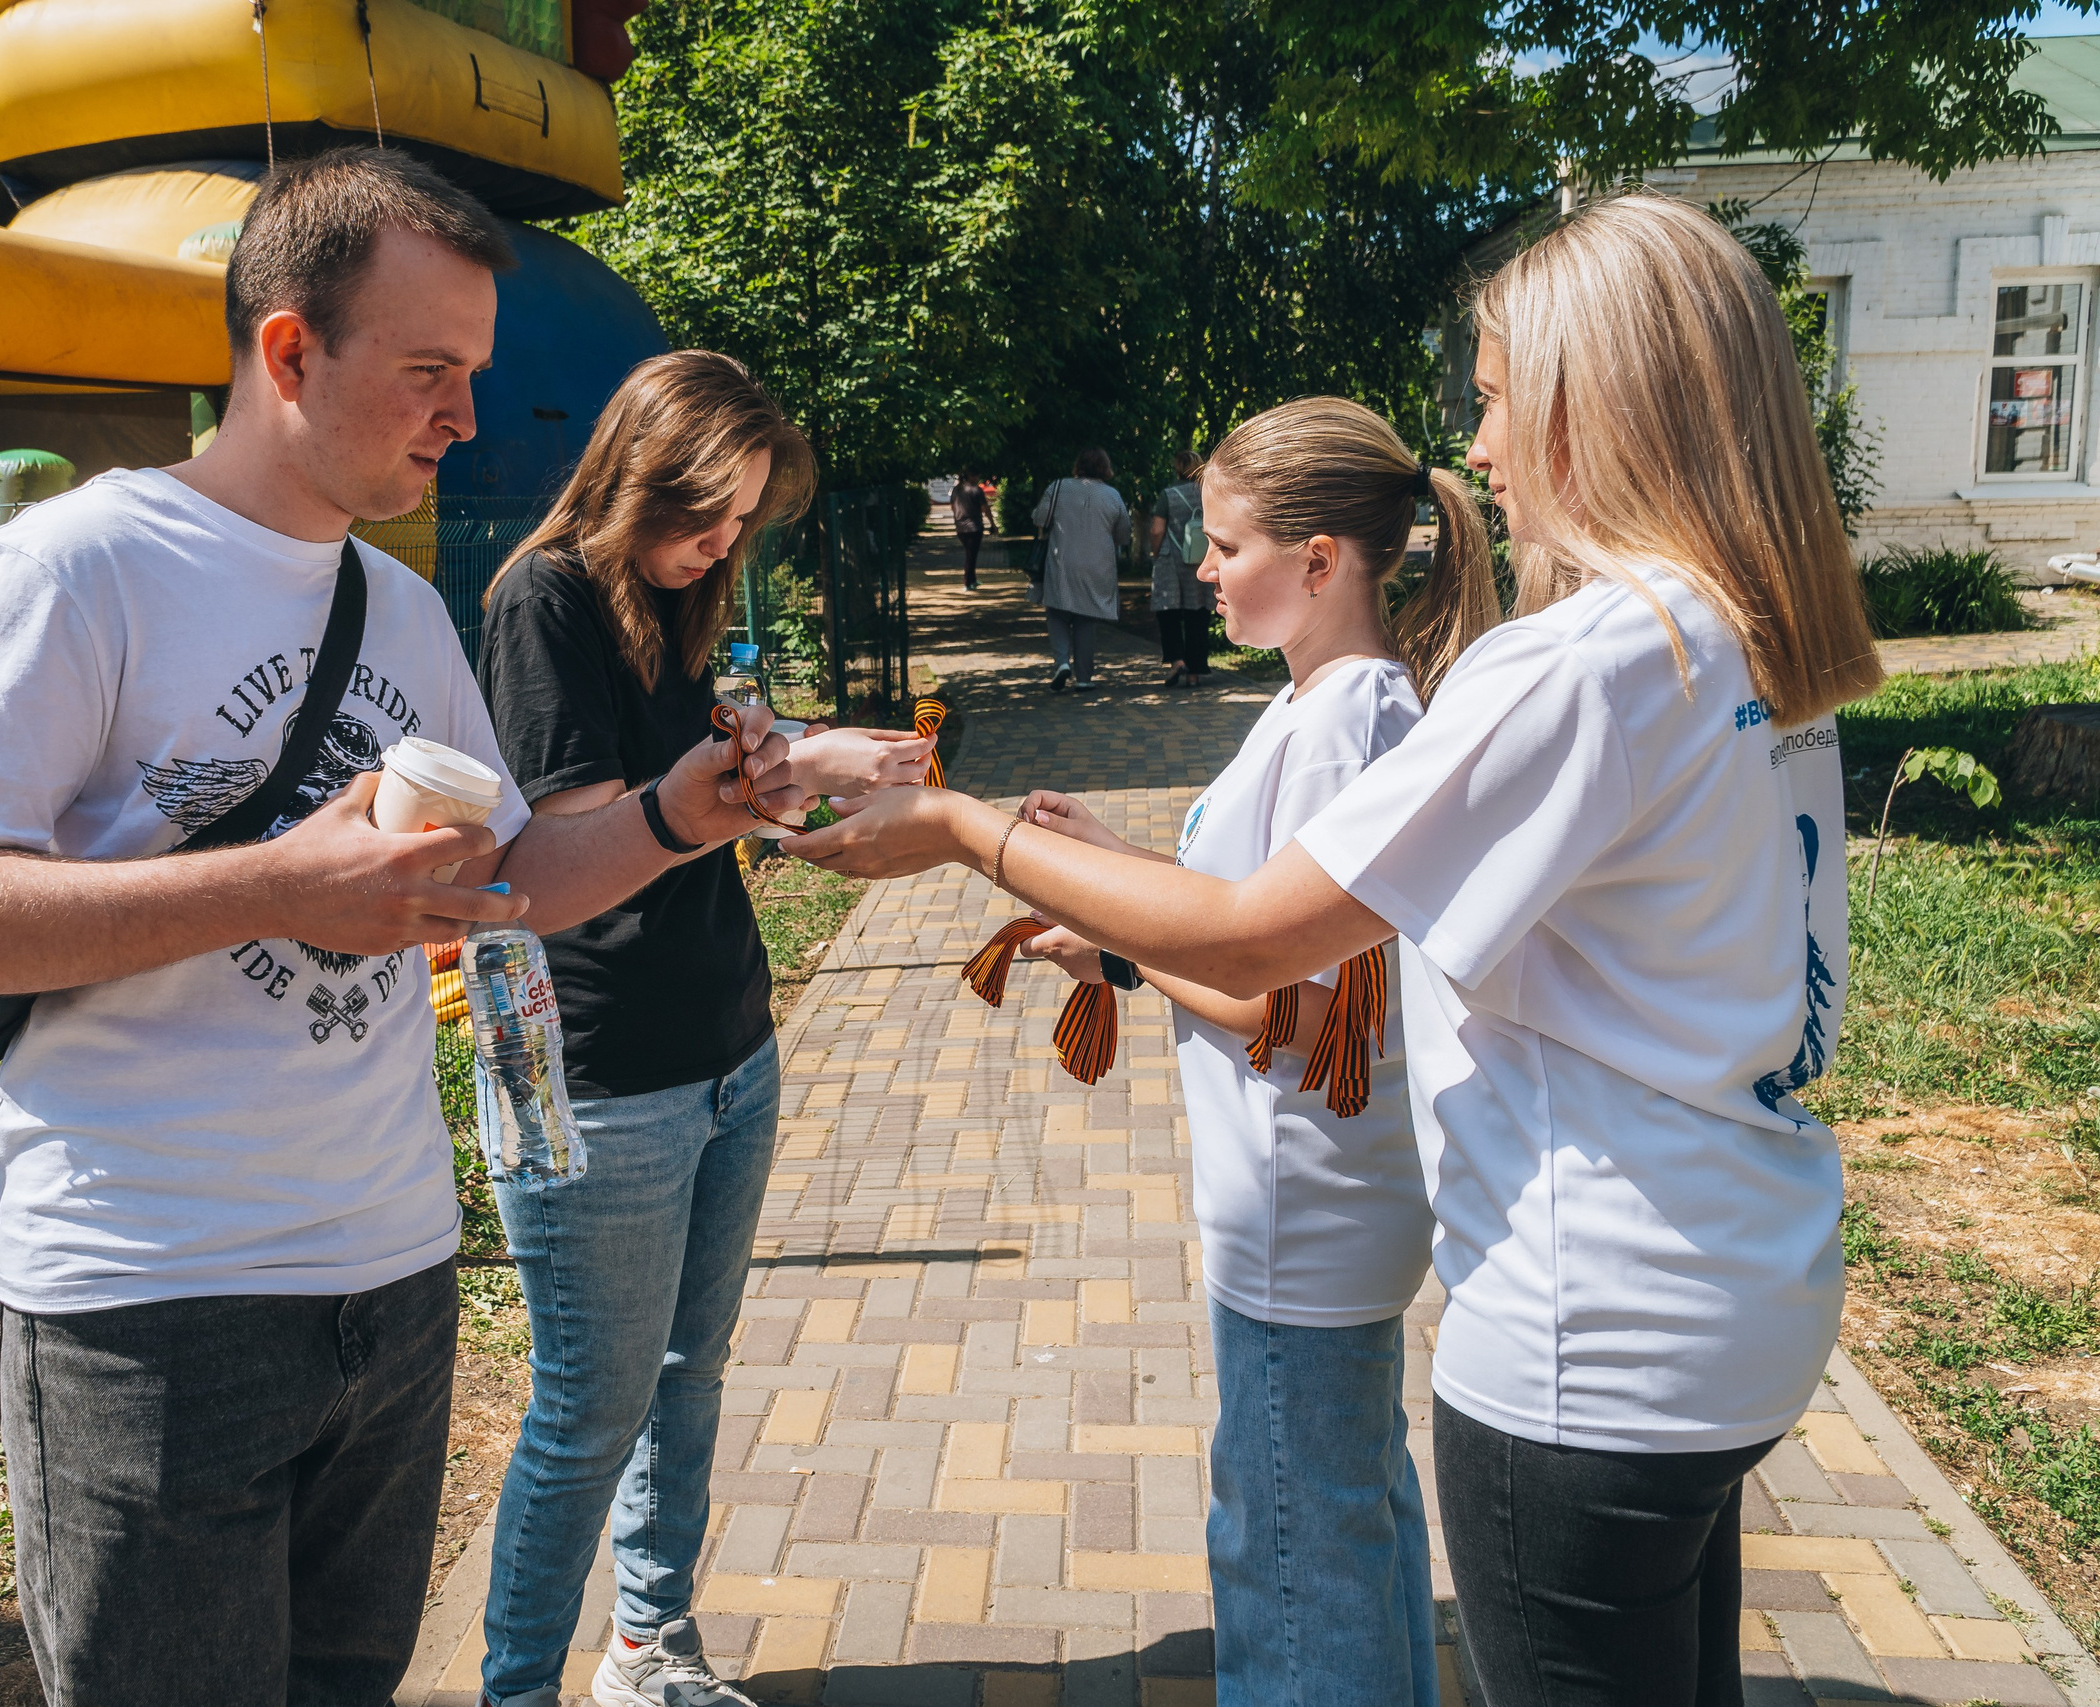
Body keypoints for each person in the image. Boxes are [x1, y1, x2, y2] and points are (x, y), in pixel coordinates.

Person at [785, 192, 1880, 1707]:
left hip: (1593, 1327)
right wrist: (1114, 891)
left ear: (1591, 396)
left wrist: (970, 830)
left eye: (1495, 400)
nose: (1481, 453)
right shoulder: (1744, 640)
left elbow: (1260, 939)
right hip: (1741, 1287)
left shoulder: (1585, 657)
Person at [0, 150, 805, 1707]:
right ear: (288, 351)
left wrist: (684, 812)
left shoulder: (402, 609)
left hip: (393, 1280)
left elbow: (513, 886)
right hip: (151, 1303)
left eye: (474, 374)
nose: (469, 416)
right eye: (432, 370)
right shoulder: (78, 565)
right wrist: (281, 885)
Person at [1011, 398, 1498, 1703]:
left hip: (1302, 1203)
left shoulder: (1339, 723)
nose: (1203, 565)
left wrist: (1118, 947)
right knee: (1354, 1513)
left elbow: (1290, 1007)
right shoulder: (1353, 703)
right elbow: (1259, 921)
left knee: (1285, 1549)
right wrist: (1118, 881)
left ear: (1323, 559)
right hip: (1340, 1193)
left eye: (1227, 544)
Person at [472, 350, 936, 1707]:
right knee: (584, 1409)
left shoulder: (676, 600)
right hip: (602, 1073)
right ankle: (513, 1686)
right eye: (703, 518)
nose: (720, 546)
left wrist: (819, 757)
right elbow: (572, 837)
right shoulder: (540, 601)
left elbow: (721, 773)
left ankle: (650, 1648)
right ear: (634, 476)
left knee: (688, 1369)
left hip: (728, 1046)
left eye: (740, 522)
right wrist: (729, 797)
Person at [1030, 446, 1129, 692]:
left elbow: (1039, 518)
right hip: (1098, 566)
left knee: (1057, 614)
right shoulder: (1112, 495)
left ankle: (1062, 663)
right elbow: (1124, 533)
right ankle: (1084, 678)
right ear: (1105, 467)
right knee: (1086, 619)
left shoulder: (1058, 487)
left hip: (1062, 562)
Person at [1146, 448, 1215, 687]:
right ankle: (1194, 673)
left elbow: (1157, 530)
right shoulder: (1209, 493)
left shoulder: (1168, 495)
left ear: (1177, 468)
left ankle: (1177, 661)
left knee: (1169, 613)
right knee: (1198, 614)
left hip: (1171, 562)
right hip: (1200, 560)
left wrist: (1155, 554)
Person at [949, 467, 988, 590]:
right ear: (971, 476)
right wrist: (993, 524)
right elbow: (985, 508)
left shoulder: (957, 490)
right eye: (976, 476)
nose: (978, 478)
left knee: (970, 553)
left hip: (960, 527)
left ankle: (973, 580)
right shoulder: (976, 490)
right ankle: (967, 582)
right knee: (971, 555)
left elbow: (952, 506)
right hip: (974, 526)